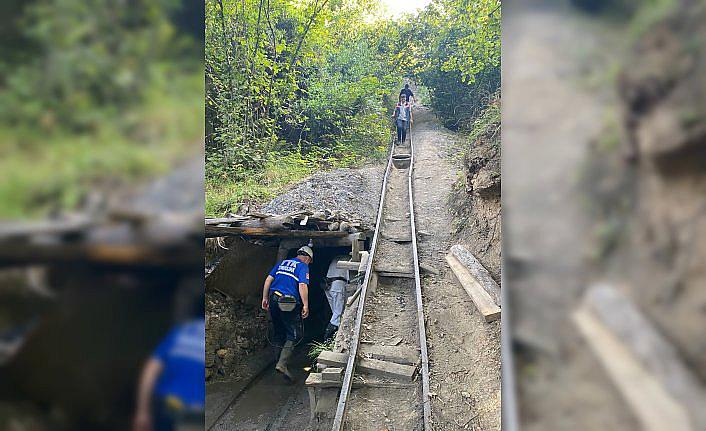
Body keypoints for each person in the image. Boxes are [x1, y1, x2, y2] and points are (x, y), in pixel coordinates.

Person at [133, 317, 205, 431]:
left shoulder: (182, 332)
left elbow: (150, 370)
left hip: (171, 408)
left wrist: (142, 411)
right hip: (196, 414)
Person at [261, 245, 312, 381]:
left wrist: (265, 298)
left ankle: (277, 360)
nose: (309, 264)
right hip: (287, 302)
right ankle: (282, 364)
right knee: (294, 334)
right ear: (307, 258)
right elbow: (302, 285)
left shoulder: (282, 263)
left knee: (279, 330)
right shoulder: (302, 266)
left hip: (273, 298)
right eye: (309, 261)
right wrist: (306, 305)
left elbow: (268, 280)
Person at [323, 255, 350, 340]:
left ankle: (331, 335)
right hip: (338, 286)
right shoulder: (348, 259)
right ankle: (329, 336)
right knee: (338, 313)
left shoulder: (335, 258)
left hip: (329, 286)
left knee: (335, 312)